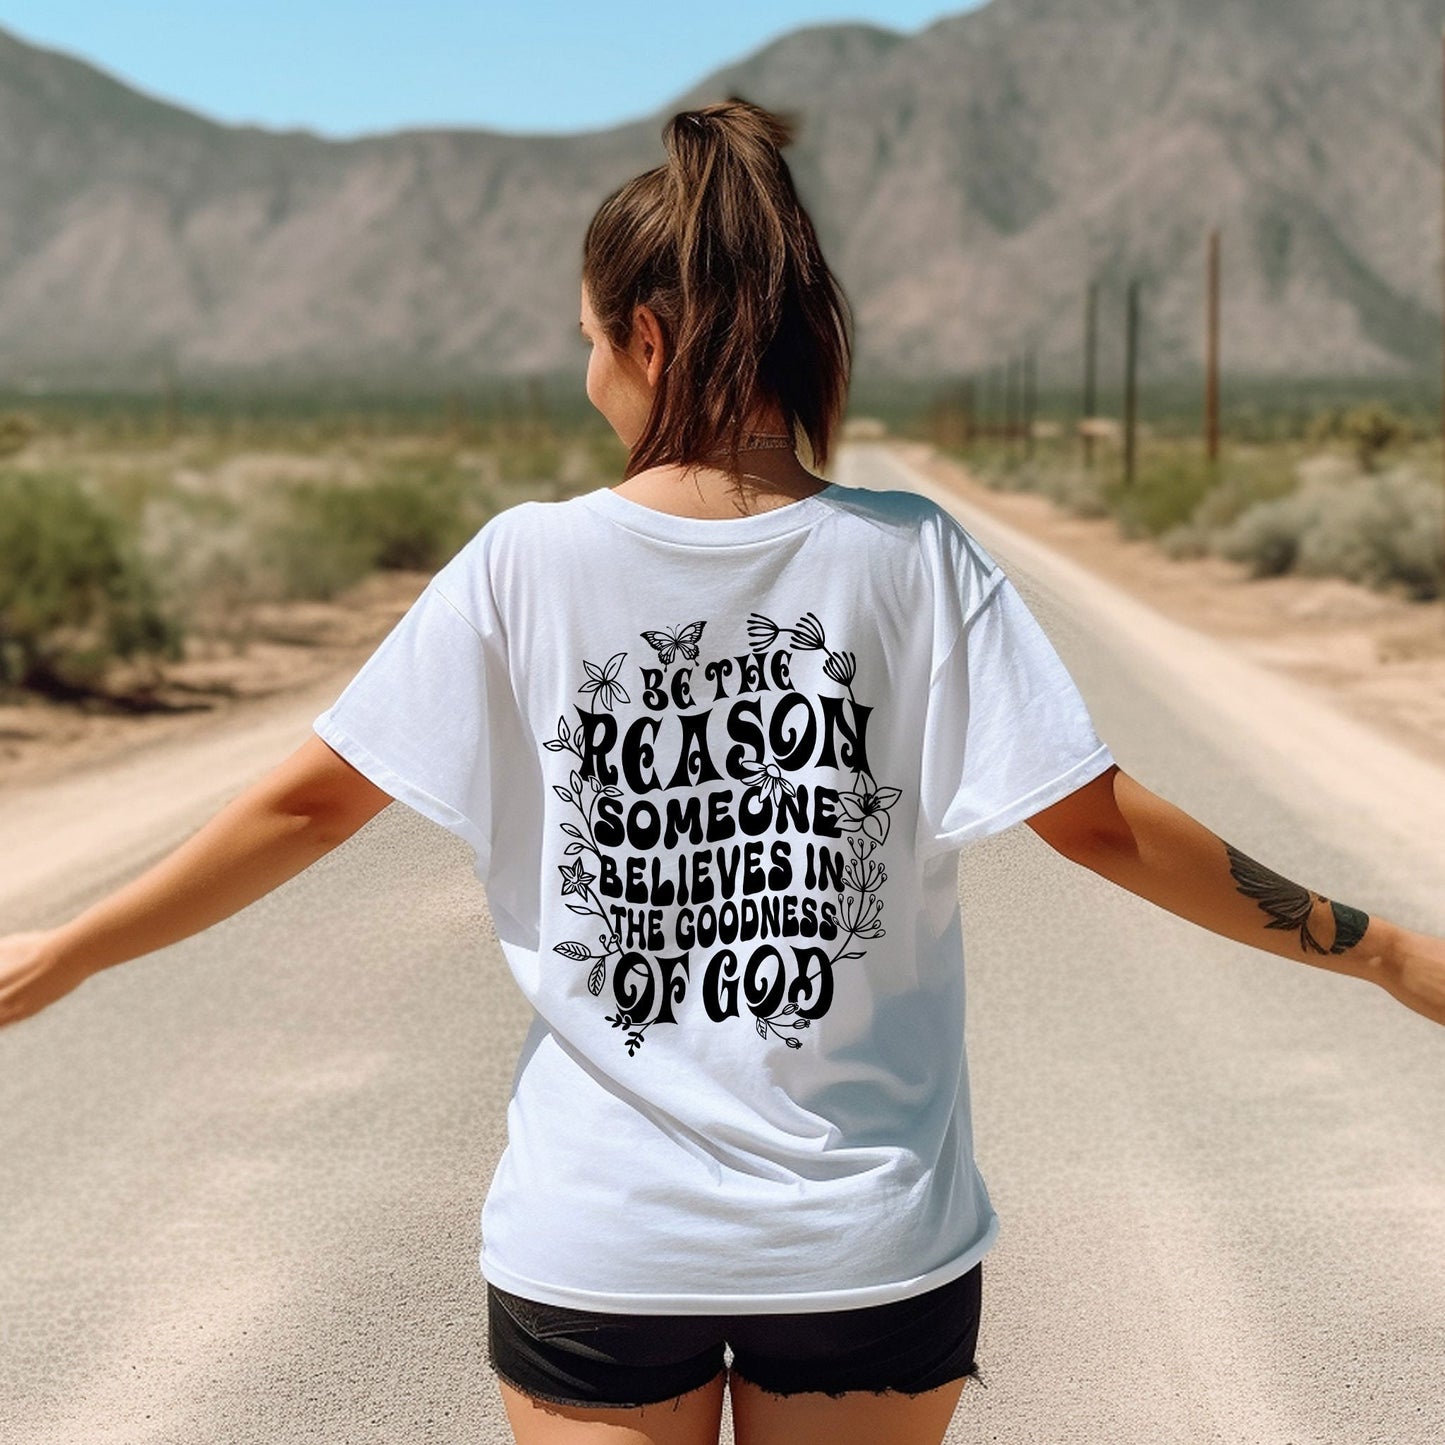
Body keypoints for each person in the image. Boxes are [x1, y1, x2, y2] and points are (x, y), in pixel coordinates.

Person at [1, 96, 1442, 1445]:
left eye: (582, 340)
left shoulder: (523, 565)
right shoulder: (912, 559)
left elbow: (306, 805)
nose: (582, 377)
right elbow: (1107, 832)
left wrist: (68, 953)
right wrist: (1378, 953)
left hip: (603, 1243)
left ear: (643, 335)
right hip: (863, 1245)